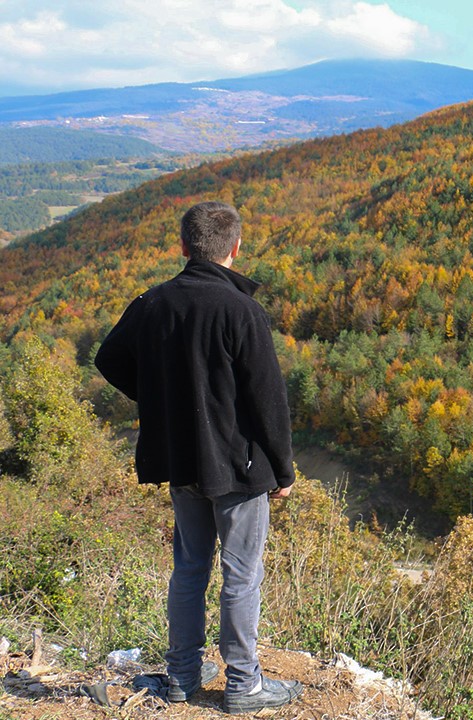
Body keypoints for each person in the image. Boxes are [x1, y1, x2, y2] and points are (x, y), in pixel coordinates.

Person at [95, 201, 302, 714]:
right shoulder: (242, 311)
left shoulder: (154, 303)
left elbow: (109, 358)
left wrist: (160, 399)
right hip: (237, 466)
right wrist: (283, 468)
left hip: (180, 459)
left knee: (189, 568)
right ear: (235, 248)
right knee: (241, 573)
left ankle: (183, 677)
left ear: (184, 247)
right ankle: (243, 686)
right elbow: (268, 399)